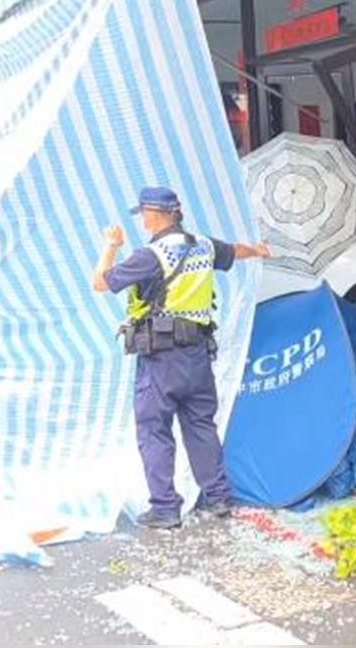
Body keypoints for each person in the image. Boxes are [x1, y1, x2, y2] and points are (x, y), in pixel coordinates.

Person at [90, 186, 270, 530]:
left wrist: (110, 245)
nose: (142, 221)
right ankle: (218, 499)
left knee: (154, 430)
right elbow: (234, 251)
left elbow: (100, 282)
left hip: (161, 359)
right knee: (201, 425)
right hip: (198, 354)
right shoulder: (201, 244)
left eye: (143, 214)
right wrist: (258, 251)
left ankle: (165, 508)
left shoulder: (151, 255)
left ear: (156, 214)